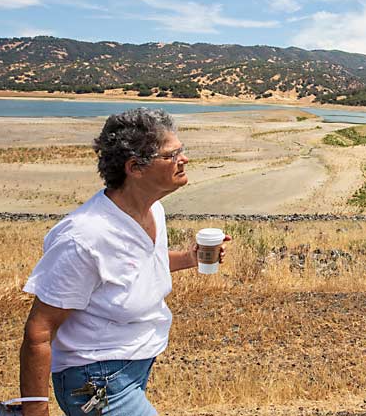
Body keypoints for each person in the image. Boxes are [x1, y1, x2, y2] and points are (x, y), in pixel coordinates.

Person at [17, 108, 230, 415]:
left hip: (132, 368)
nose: (183, 160)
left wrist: (189, 258)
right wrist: (35, 410)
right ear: (135, 168)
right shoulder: (84, 237)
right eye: (171, 155)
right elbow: (38, 330)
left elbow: (133, 267)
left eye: (181, 151)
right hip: (93, 380)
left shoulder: (152, 209)